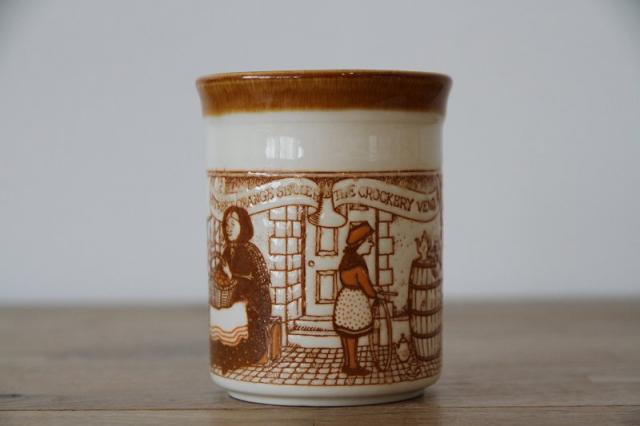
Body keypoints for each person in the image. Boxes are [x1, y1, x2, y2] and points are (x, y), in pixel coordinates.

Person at [210, 206, 271, 374]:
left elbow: (249, 285)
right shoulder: (228, 250)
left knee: (244, 344)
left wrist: (231, 277)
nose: (228, 228)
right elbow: (222, 277)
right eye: (226, 224)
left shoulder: (248, 251)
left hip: (254, 311)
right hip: (234, 304)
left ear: (243, 225)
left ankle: (235, 357)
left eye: (233, 224)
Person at [332, 221, 378, 376]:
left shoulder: (346, 261)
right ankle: (352, 365)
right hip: (354, 302)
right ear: (360, 243)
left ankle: (348, 363)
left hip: (345, 299)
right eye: (369, 241)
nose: (372, 244)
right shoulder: (358, 266)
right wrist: (376, 294)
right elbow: (367, 288)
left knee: (346, 335)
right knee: (352, 334)